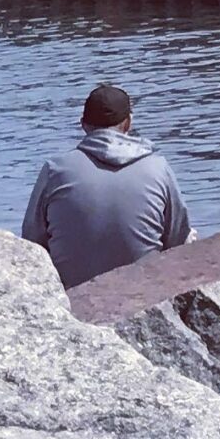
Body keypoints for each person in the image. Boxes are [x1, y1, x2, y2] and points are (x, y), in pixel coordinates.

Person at [20, 83, 192, 288]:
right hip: (146, 296)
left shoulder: (55, 170)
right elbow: (177, 239)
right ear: (128, 123)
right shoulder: (157, 167)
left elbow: (31, 244)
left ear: (83, 124)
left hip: (70, 300)